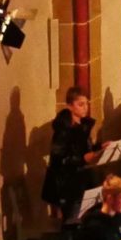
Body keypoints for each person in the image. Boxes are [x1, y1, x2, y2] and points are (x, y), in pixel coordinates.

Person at [44, 85, 96, 221]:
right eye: (81, 104)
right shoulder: (63, 130)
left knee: (86, 218)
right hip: (68, 184)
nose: (85, 108)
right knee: (72, 219)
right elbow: (59, 158)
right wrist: (82, 159)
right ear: (70, 106)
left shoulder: (83, 126)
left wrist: (99, 147)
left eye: (86, 104)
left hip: (83, 180)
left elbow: (84, 148)